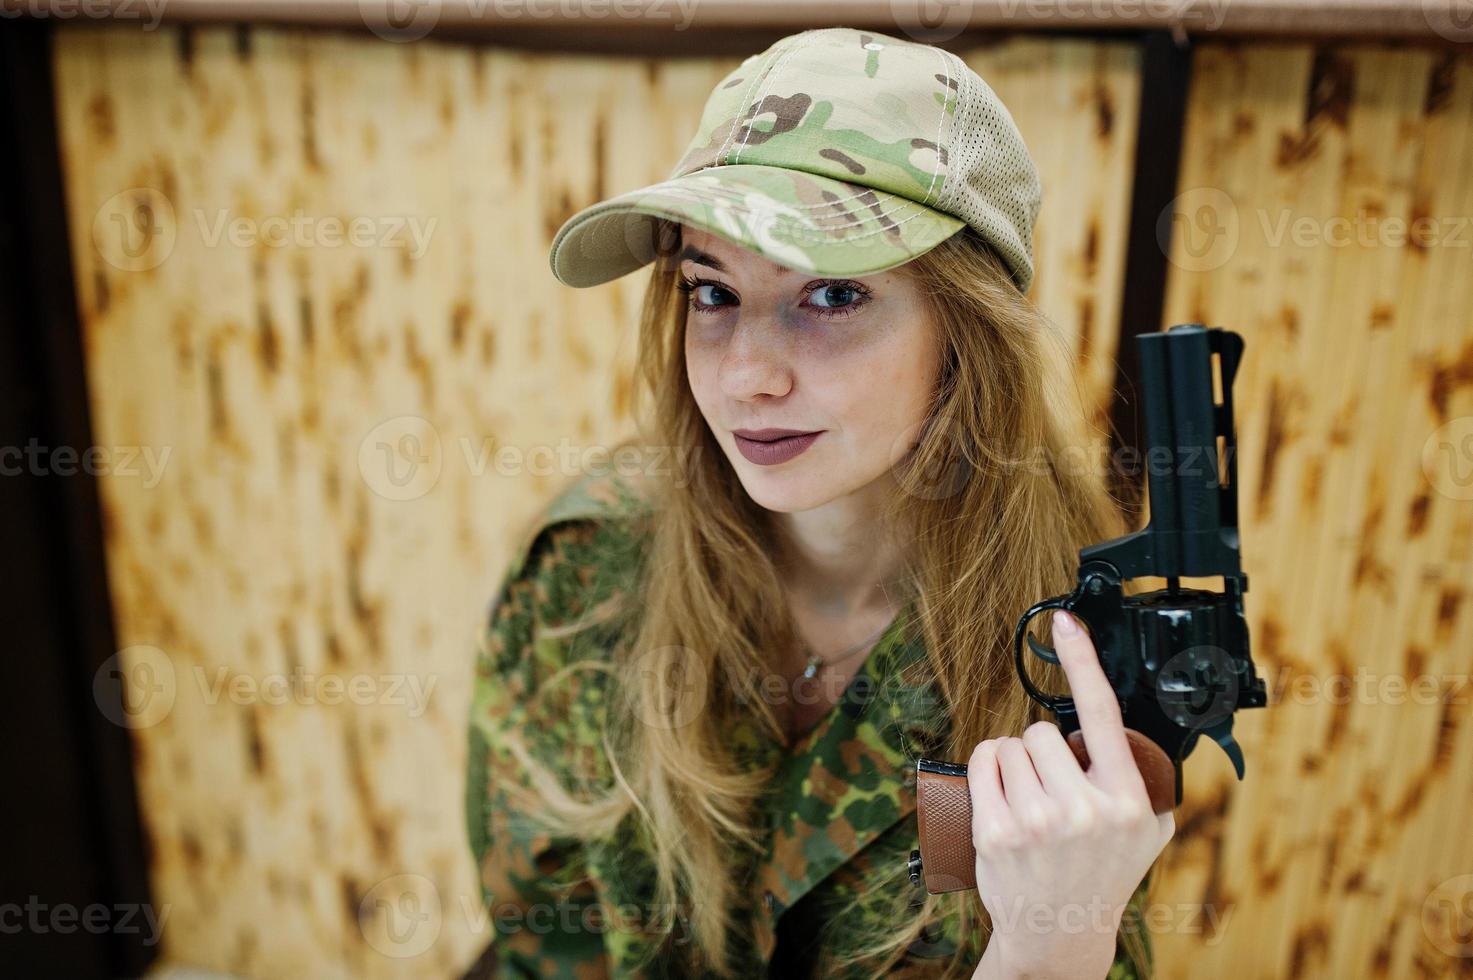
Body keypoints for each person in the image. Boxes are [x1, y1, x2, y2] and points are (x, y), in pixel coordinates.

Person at [465, 25, 1173, 980]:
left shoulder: (1073, 650)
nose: (748, 376)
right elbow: (542, 943)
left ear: (967, 337)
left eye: (833, 294)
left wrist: (1051, 949)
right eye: (711, 292)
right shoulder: (589, 572)